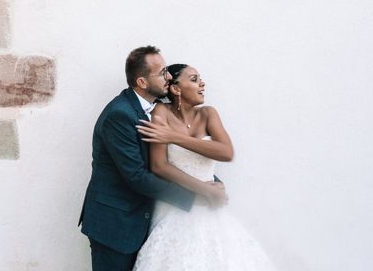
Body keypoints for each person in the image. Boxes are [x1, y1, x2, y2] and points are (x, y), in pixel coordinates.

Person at [79, 47, 227, 271]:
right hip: (116, 225)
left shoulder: (160, 110)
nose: (168, 76)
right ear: (142, 82)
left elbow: (173, 159)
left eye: (168, 70)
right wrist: (199, 195)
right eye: (162, 73)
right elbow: (137, 176)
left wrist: (211, 180)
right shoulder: (119, 114)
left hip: (147, 222)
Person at [133, 63, 276, 270]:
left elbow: (226, 152)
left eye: (200, 78)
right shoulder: (160, 112)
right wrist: (206, 191)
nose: (202, 83)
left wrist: (174, 137)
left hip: (211, 212)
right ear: (175, 89)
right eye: (193, 79)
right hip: (175, 206)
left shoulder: (209, 114)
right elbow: (159, 166)